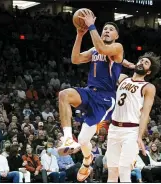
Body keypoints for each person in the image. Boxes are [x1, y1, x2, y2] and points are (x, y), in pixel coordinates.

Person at [57, 10, 135, 182]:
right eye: (104, 29)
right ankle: (68, 138)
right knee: (64, 95)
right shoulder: (94, 50)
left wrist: (92, 25)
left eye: (110, 29)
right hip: (89, 91)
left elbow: (102, 48)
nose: (106, 30)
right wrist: (79, 34)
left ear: (117, 35)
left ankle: (87, 161)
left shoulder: (117, 48)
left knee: (84, 139)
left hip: (105, 99)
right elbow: (75, 59)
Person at [106, 52, 161, 182]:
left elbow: (145, 113)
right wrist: (125, 62)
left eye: (146, 63)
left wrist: (139, 137)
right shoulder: (123, 78)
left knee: (125, 169)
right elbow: (109, 63)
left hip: (131, 130)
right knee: (112, 171)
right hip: (114, 128)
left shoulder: (148, 87)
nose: (142, 63)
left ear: (148, 72)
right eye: (141, 60)